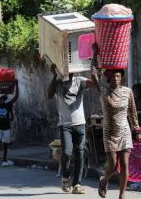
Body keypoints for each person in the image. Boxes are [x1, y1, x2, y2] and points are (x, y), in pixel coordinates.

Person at [91, 43, 141, 199]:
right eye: (113, 76)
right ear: (108, 78)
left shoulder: (128, 92)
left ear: (122, 77)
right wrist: (95, 54)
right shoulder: (103, 91)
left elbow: (132, 112)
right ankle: (104, 179)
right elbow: (94, 75)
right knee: (112, 165)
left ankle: (121, 196)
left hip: (125, 131)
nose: (116, 78)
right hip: (110, 132)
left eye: (118, 75)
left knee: (125, 164)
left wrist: (137, 130)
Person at [47, 64, 93, 194]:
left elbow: (94, 83)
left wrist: (94, 66)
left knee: (80, 154)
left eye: (71, 69)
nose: (69, 72)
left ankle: (77, 184)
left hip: (80, 124)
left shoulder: (80, 81)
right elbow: (49, 95)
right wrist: (54, 75)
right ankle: (65, 177)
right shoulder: (57, 83)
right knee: (67, 152)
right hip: (65, 124)